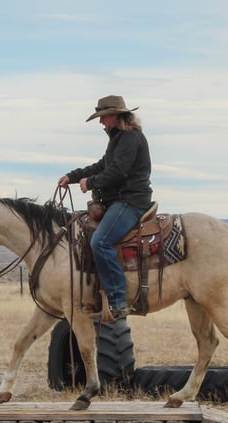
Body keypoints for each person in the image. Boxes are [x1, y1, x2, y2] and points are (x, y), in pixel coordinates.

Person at [58, 95, 154, 321]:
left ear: (116, 115)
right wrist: (72, 177)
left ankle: (119, 302)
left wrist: (90, 183)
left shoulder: (130, 138)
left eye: (103, 118)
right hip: (120, 200)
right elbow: (102, 165)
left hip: (131, 201)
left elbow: (118, 171)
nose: (102, 123)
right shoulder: (118, 139)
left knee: (100, 241)